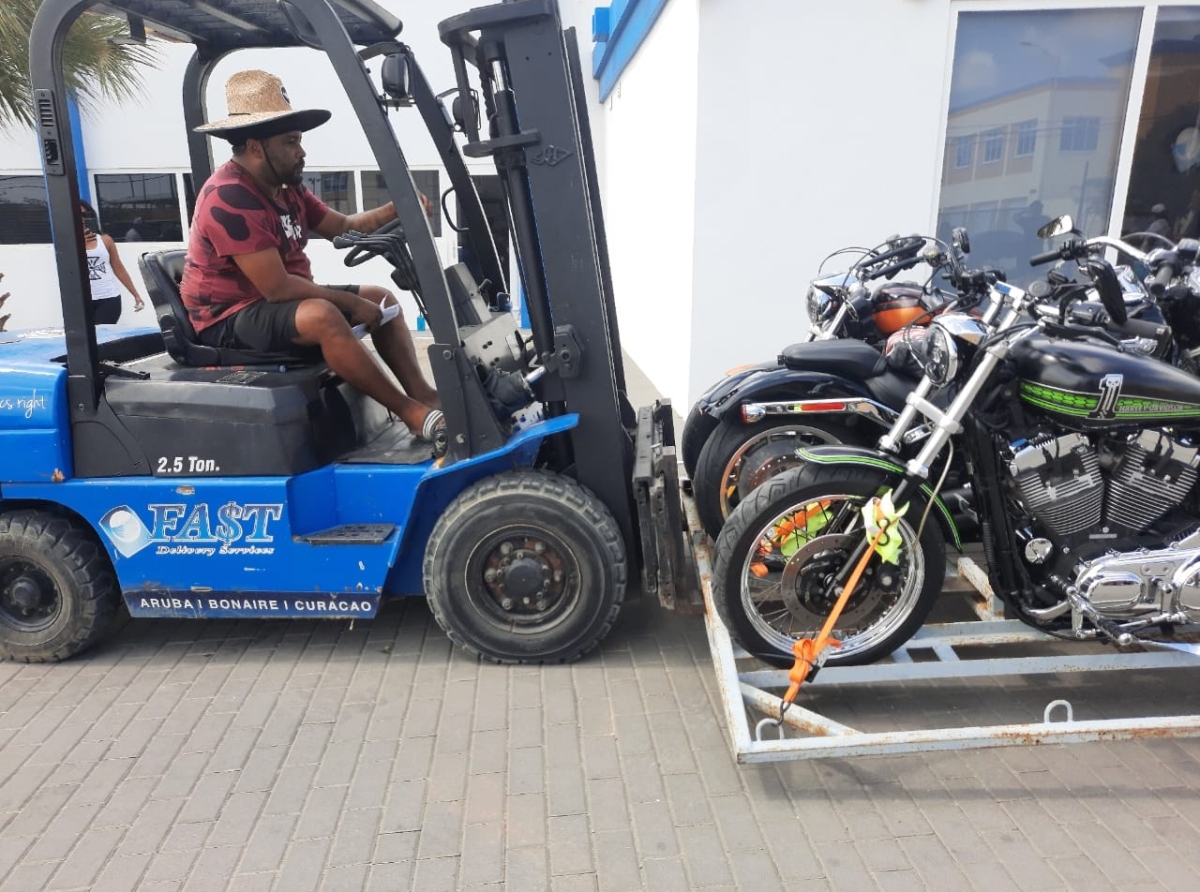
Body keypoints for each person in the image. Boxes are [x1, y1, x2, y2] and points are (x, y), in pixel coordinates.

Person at [181, 70, 442, 442]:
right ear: (256, 147)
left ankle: (425, 395)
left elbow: (343, 226)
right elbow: (276, 288)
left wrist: (398, 208)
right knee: (323, 315)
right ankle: (412, 414)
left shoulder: (286, 188)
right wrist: (348, 301)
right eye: (290, 142)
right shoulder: (230, 197)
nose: (301, 152)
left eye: (299, 141)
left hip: (272, 301)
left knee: (381, 299)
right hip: (227, 318)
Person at [79, 201, 146, 323]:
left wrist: (135, 294)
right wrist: (79, 245)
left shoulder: (105, 240)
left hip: (108, 298)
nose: (82, 219)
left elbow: (118, 268)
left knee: (104, 337)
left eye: (84, 215)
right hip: (80, 301)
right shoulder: (67, 245)